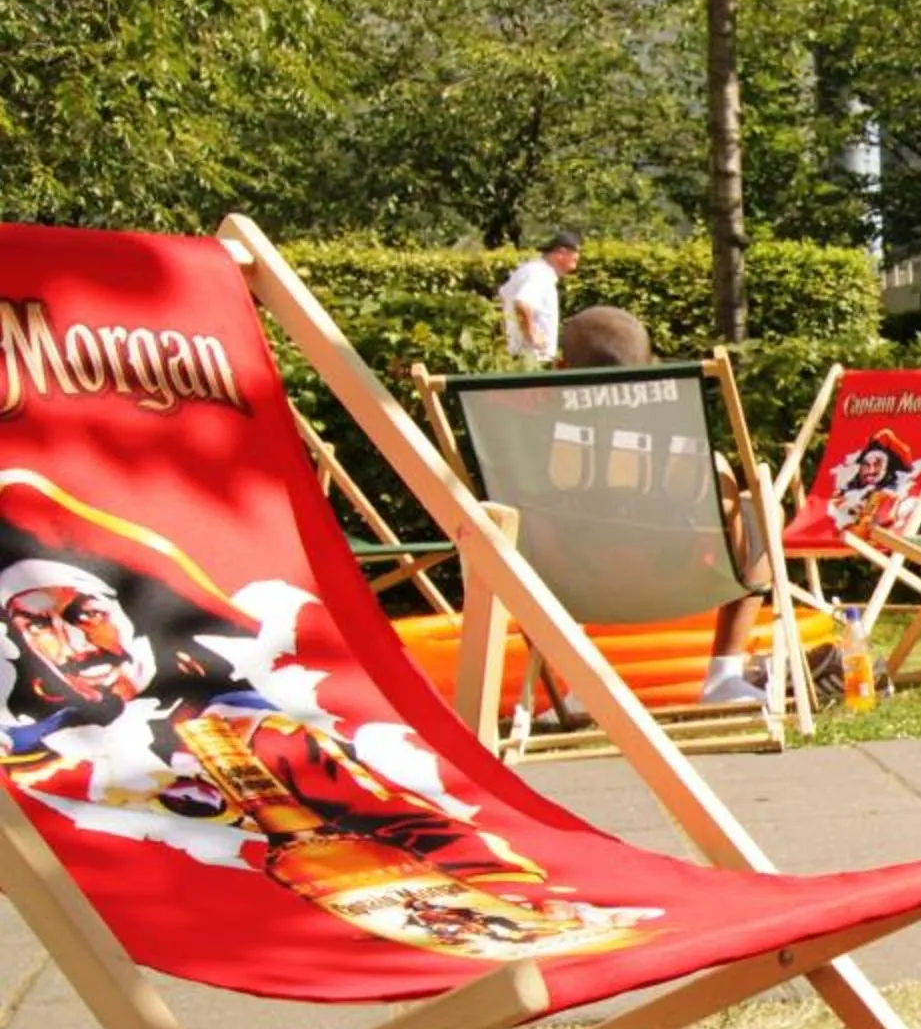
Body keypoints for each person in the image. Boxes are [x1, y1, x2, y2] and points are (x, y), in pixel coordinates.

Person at [0, 473, 652, 959]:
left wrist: (501, 899)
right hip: (176, 910)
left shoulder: (249, 737)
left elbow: (415, 822)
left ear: (128, 617)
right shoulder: (29, 761)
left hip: (385, 917)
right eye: (37, 625)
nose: (75, 642)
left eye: (85, 613)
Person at [546, 306, 769, 707]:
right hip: (678, 583)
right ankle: (723, 676)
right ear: (648, 366)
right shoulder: (678, 447)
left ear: (562, 366)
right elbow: (725, 491)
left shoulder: (533, 440)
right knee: (759, 508)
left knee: (513, 515)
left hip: (575, 587)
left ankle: (570, 683)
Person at [496, 230, 582, 366]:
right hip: (531, 361)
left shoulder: (531, 271)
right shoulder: (539, 274)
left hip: (523, 358)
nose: (578, 257)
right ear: (562, 252)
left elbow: (503, 298)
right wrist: (531, 334)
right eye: (576, 253)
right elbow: (522, 303)